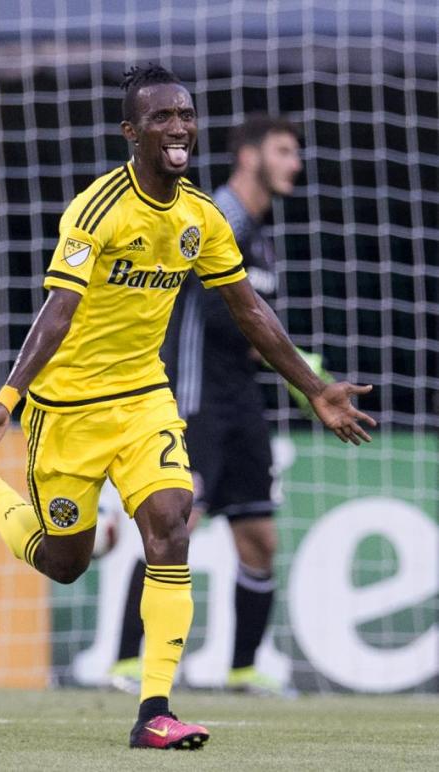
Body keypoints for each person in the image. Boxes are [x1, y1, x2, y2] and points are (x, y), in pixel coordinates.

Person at [0, 66, 375, 751]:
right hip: (68, 410)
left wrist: (312, 387)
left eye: (186, 115)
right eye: (162, 118)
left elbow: (249, 309)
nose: (179, 128)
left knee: (173, 522)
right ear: (132, 132)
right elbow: (58, 311)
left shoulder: (200, 217)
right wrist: (7, 401)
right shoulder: (97, 210)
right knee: (65, 563)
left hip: (146, 398)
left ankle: (153, 711)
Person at [110, 114, 331, 696]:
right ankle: (129, 660)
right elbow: (215, 311)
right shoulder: (214, 218)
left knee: (259, 536)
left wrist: (291, 363)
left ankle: (243, 668)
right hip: (194, 397)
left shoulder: (260, 233)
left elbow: (250, 320)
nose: (295, 164)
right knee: (175, 523)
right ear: (250, 156)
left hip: (242, 402)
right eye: (285, 151)